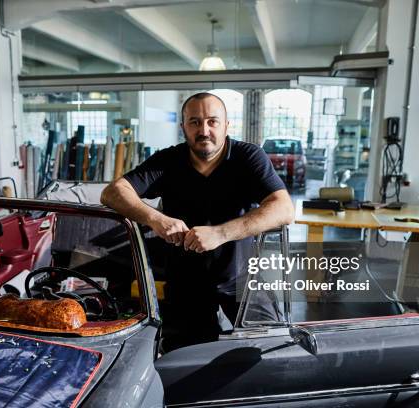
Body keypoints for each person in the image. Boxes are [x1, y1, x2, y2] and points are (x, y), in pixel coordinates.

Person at [101, 92, 294, 349]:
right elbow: (112, 192)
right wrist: (156, 219)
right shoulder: (169, 160)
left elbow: (284, 209)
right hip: (186, 283)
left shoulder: (248, 157)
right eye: (195, 122)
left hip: (243, 279)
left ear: (226, 125)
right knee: (185, 363)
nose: (204, 130)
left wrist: (220, 233)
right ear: (183, 128)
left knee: (267, 352)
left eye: (213, 121)